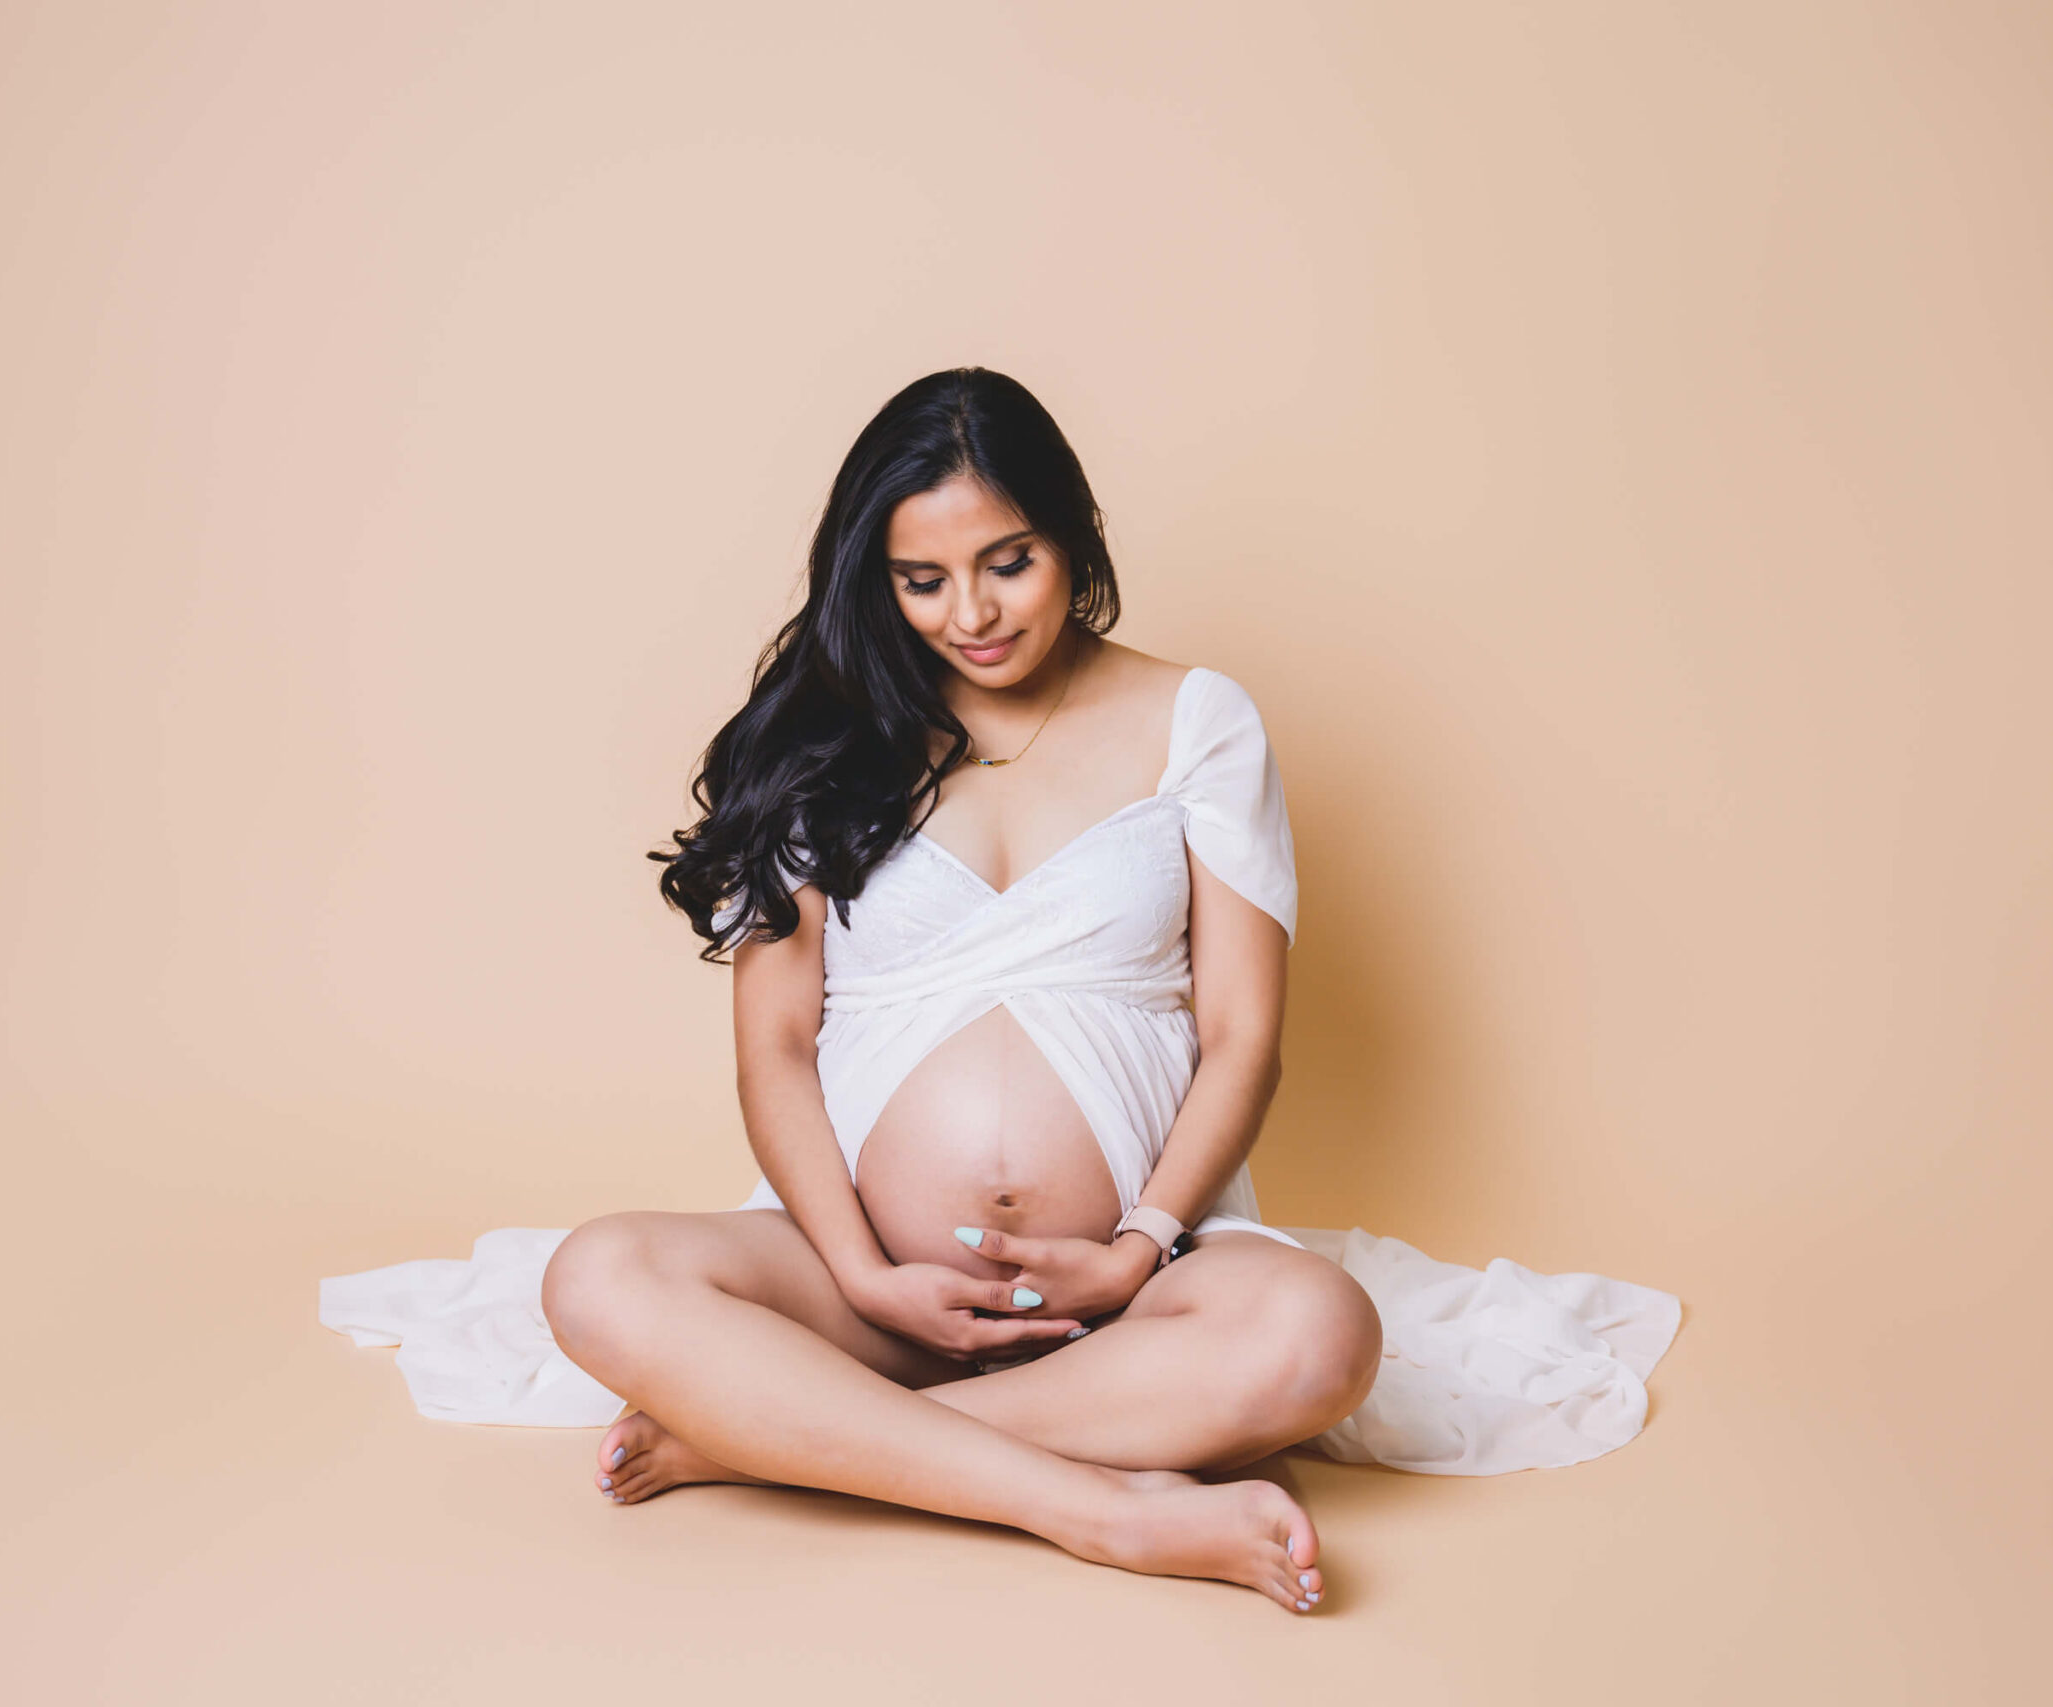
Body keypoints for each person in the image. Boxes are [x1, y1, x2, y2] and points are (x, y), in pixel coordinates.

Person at [318, 367, 1682, 1617]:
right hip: (864, 1287)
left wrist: (1138, 1246)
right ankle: (1096, 1506)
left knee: (1323, 1335)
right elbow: (777, 1051)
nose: (970, 614)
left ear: (1073, 540)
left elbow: (1243, 1035)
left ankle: (779, 1439)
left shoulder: (1198, 719)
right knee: (597, 1276)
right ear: (876, 583)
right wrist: (862, 1269)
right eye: (921, 581)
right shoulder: (825, 740)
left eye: (1006, 563)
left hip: (1126, 1294)